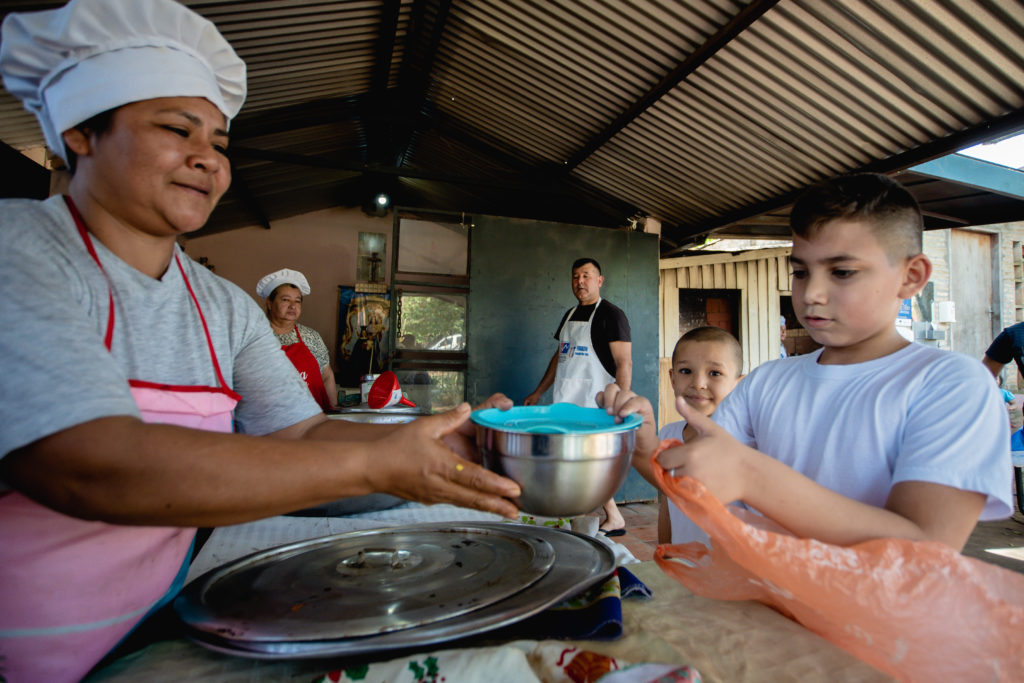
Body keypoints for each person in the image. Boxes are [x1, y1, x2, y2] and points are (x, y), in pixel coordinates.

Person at [0, 2, 520, 680]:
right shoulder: (21, 250)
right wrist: (375, 465)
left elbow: (299, 435)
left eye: (218, 142)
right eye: (177, 129)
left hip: (153, 627)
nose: (207, 160)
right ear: (79, 132)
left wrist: (441, 440)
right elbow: (89, 462)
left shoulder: (219, 304)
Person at [603, 173, 1012, 552]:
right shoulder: (767, 382)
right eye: (800, 272)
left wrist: (753, 477)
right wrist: (646, 447)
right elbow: (692, 484)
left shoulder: (950, 384)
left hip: (871, 630)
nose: (812, 292)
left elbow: (925, 546)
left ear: (911, 276)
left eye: (843, 272)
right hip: (757, 617)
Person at [524, 257, 632, 535]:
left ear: (599, 280)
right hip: (565, 402)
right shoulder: (570, 314)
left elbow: (624, 362)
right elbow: (560, 357)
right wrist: (538, 392)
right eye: (575, 277)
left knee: (585, 464)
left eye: (586, 276)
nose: (580, 282)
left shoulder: (612, 315)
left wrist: (621, 400)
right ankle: (599, 517)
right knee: (574, 464)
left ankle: (596, 519)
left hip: (594, 403)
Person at [638, 327, 744, 545]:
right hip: (684, 565)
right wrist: (666, 552)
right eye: (686, 371)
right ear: (672, 378)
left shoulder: (744, 443)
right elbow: (668, 506)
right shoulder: (669, 434)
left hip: (728, 571)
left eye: (714, 373)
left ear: (738, 384)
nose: (698, 383)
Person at [257, 268, 338, 411]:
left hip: (314, 419)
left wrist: (333, 411)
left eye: (298, 301)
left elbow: (327, 376)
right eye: (285, 300)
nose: (292, 306)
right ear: (269, 303)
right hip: (271, 420)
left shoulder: (311, 337)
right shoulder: (256, 336)